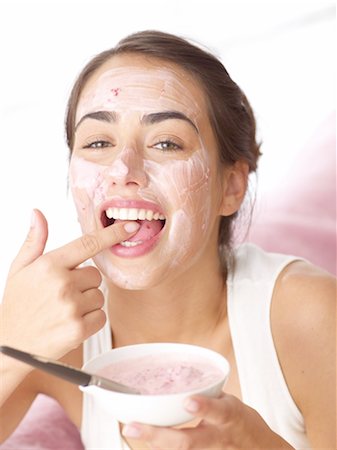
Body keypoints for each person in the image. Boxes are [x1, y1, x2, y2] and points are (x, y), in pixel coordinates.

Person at [0, 30, 335, 450]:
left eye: (166, 142)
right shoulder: (58, 334)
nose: (123, 168)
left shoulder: (308, 315)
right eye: (98, 141)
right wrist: (8, 342)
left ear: (231, 187)